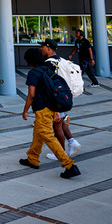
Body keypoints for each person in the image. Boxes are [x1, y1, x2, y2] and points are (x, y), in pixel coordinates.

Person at [20, 47, 81, 179]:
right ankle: (32, 158)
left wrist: (25, 111)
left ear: (29, 60)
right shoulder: (47, 70)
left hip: (42, 109)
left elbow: (31, 95)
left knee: (48, 137)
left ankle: (69, 165)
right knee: (38, 133)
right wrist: (57, 112)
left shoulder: (33, 73)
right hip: (52, 108)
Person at [40, 39, 81, 160]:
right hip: (65, 95)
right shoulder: (61, 60)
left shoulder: (49, 64)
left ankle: (60, 152)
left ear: (48, 48)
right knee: (61, 122)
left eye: (42, 47)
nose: (41, 49)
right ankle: (73, 142)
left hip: (56, 97)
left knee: (56, 125)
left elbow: (48, 84)